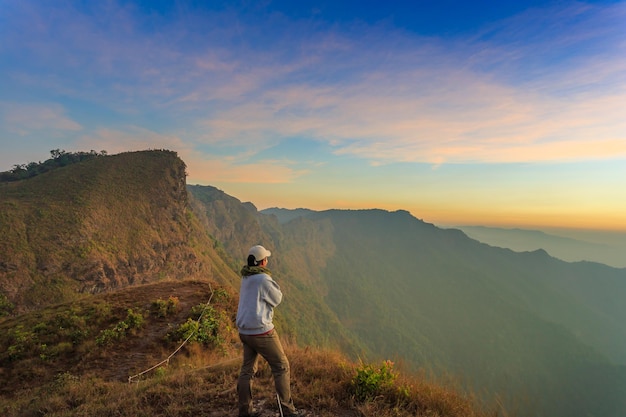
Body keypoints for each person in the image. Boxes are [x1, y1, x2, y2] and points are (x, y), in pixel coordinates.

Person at [236, 245, 303, 417]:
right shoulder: (262, 279)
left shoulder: (246, 277)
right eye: (266, 258)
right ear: (262, 262)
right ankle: (287, 411)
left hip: (244, 330)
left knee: (247, 370)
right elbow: (277, 298)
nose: (267, 261)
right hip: (261, 331)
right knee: (281, 367)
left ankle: (245, 410)